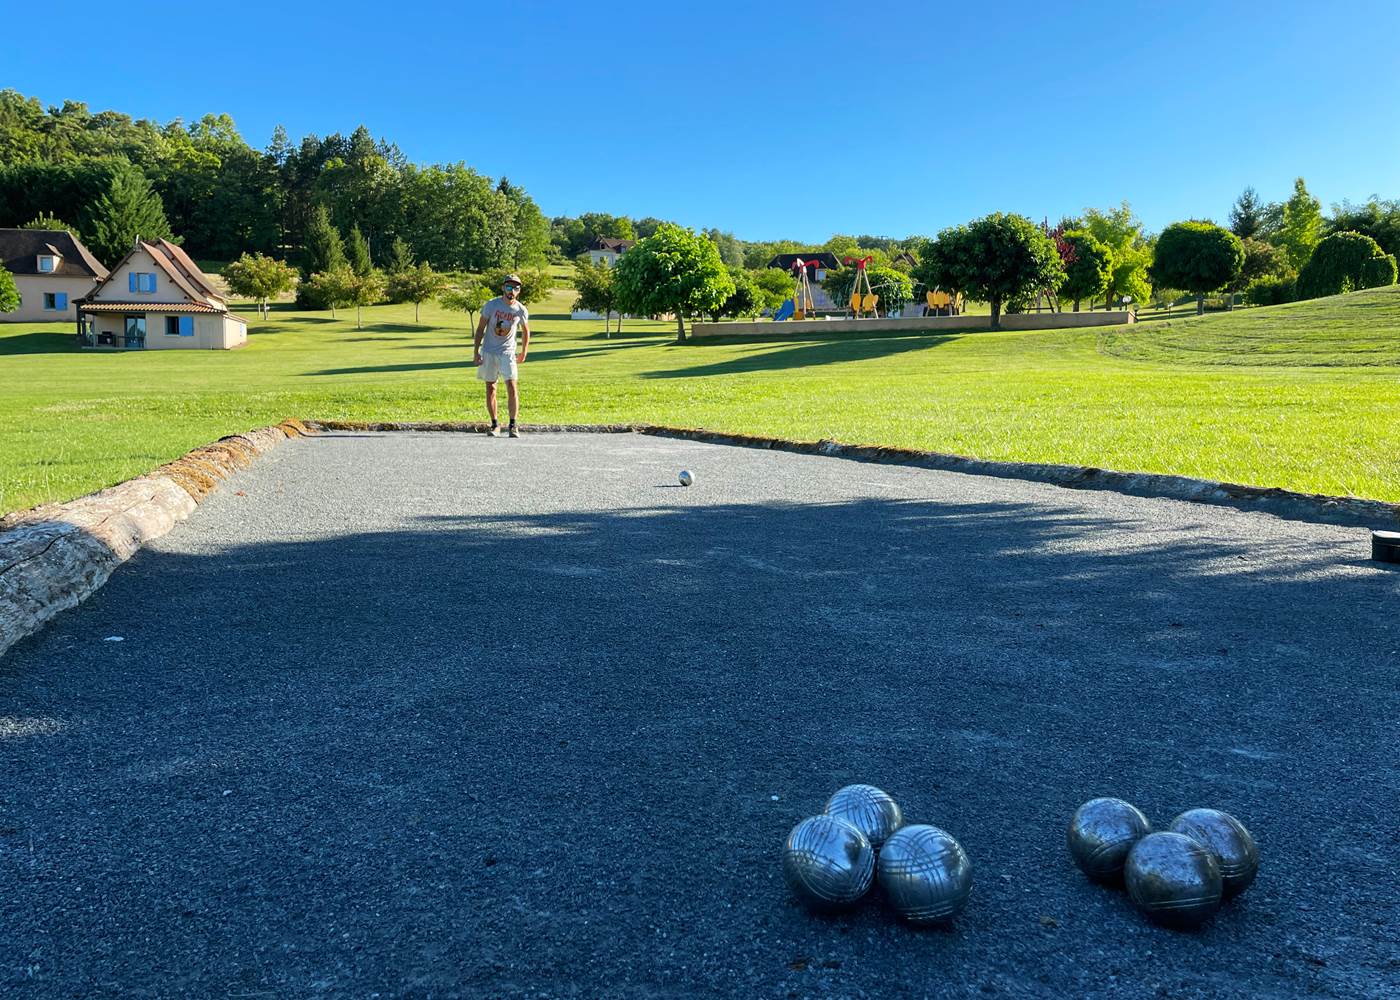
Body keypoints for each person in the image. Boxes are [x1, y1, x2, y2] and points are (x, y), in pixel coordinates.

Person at [473, 274, 531, 437]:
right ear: (503, 288)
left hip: (508, 353)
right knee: (491, 387)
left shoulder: (520, 309)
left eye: (516, 288)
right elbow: (480, 329)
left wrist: (524, 352)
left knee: (512, 387)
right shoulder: (491, 305)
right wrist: (476, 351)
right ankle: (495, 425)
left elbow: (526, 332)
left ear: (519, 291)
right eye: (509, 287)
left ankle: (513, 425)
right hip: (489, 351)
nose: (512, 291)